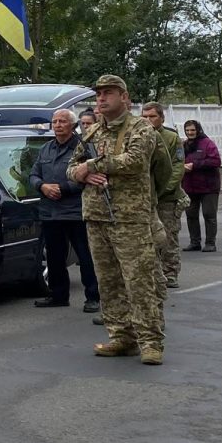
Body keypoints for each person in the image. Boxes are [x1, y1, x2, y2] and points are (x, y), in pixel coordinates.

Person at [68, 75, 166, 365]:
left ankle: (151, 342)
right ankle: (122, 337)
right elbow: (71, 167)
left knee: (139, 282)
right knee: (108, 282)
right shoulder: (92, 131)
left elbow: (135, 161)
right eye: (98, 94)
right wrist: (82, 174)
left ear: (124, 97)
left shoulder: (141, 127)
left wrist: (91, 165)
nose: (101, 98)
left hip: (130, 218)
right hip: (97, 216)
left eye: (108, 93)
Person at [28, 108, 101, 313]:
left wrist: (63, 188)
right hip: (50, 211)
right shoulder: (46, 148)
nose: (58, 125)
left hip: (76, 210)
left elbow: (91, 177)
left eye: (62, 121)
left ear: (73, 125)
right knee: (55, 257)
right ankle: (58, 295)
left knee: (85, 256)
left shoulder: (83, 147)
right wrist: (42, 186)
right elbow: (33, 174)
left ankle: (93, 297)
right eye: (55, 121)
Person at [142, 102, 185, 289]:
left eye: (152, 116)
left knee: (168, 236)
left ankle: (170, 272)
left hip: (167, 198)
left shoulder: (171, 137)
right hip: (145, 197)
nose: (148, 120)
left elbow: (177, 167)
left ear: (161, 118)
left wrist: (162, 189)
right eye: (144, 117)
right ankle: (153, 273)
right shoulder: (138, 137)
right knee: (148, 238)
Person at [181, 119, 221, 252]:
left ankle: (210, 243)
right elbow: (177, 160)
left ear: (198, 130)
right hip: (189, 186)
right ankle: (194, 242)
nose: (190, 132)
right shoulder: (183, 145)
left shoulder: (208, 143)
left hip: (209, 187)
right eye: (187, 130)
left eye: (192, 130)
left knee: (209, 215)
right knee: (191, 215)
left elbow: (215, 161)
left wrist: (195, 165)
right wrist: (182, 167)